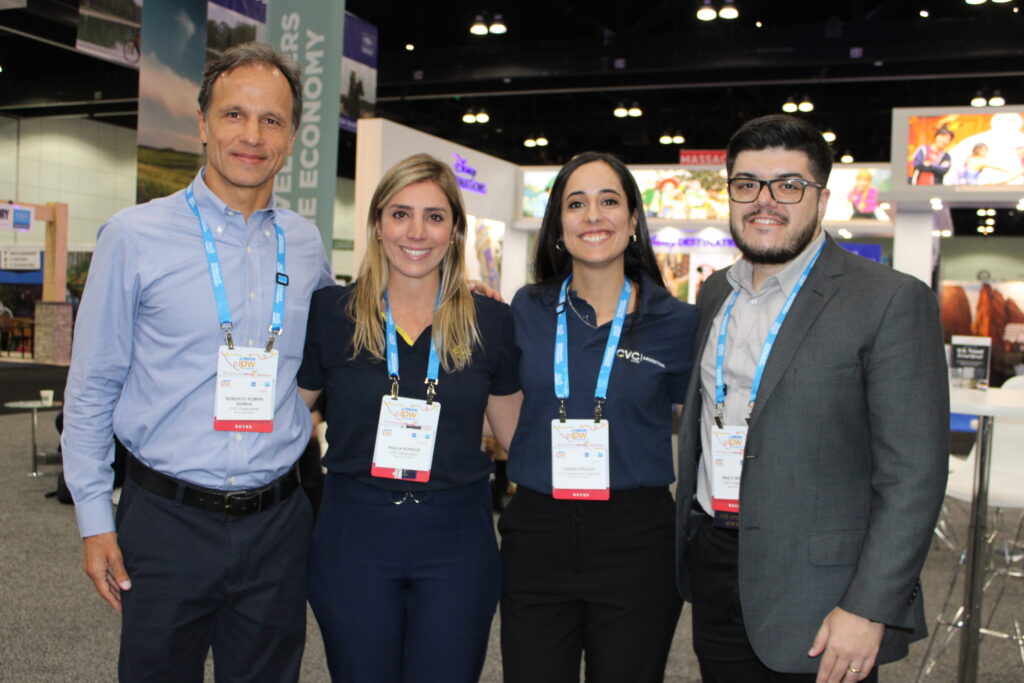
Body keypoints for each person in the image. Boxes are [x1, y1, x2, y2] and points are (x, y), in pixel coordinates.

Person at [61, 42, 332, 682]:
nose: (252, 136)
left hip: (277, 524)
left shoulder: (306, 241)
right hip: (165, 524)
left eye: (272, 120)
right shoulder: (133, 236)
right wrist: (95, 521)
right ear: (203, 122)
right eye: (235, 115)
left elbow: (334, 346)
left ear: (291, 136)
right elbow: (92, 387)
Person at [675, 114, 949, 682]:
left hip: (822, 595)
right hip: (717, 565)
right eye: (747, 184)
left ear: (821, 199)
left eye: (788, 185)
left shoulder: (888, 300)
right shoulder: (714, 293)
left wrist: (870, 605)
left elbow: (914, 474)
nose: (764, 201)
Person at [297, 153, 523, 682]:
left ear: (455, 230)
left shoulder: (490, 320)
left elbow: (516, 436)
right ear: (377, 223)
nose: (416, 231)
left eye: (435, 216)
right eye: (400, 214)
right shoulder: (332, 313)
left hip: (457, 540)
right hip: (354, 535)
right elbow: (290, 414)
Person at [500, 151, 699, 682]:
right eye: (577, 203)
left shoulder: (677, 322)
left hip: (636, 538)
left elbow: (709, 421)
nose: (593, 216)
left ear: (633, 220)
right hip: (538, 531)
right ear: (558, 225)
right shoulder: (526, 309)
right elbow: (501, 405)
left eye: (609, 201)